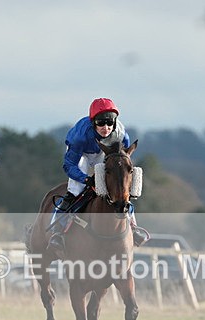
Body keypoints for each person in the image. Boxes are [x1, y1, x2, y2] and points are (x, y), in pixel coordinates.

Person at [47, 97, 148, 253]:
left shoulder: (121, 133)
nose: (106, 127)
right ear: (93, 122)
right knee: (75, 190)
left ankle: (133, 227)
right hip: (82, 155)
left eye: (110, 123)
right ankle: (57, 233)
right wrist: (86, 179)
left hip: (105, 153)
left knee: (120, 190)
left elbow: (124, 159)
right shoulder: (80, 137)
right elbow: (69, 165)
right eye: (101, 123)